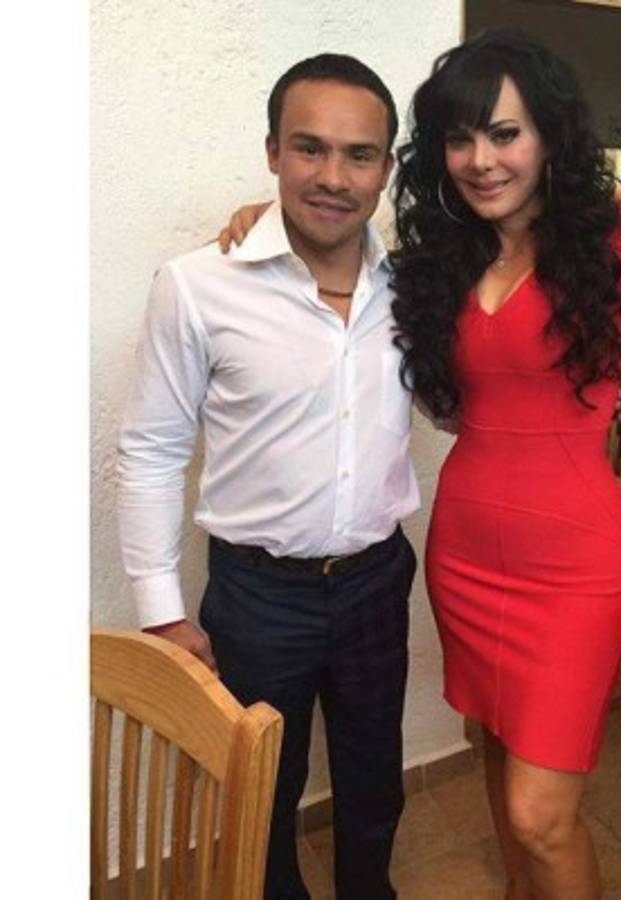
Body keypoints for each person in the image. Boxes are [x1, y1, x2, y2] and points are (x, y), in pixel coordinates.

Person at [220, 30, 621, 900]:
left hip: (575, 563)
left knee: (542, 815)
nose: (481, 160)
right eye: (460, 139)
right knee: (497, 759)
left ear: (549, 136)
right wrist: (260, 222)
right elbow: (334, 249)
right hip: (466, 552)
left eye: (505, 134)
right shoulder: (437, 257)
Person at [117, 54, 419, 900]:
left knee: (374, 782)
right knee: (260, 795)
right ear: (273, 152)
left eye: (359, 154)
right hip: (258, 596)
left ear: (385, 169)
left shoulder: (414, 292)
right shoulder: (197, 286)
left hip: (377, 581)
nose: (334, 177)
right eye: (310, 148)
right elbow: (151, 448)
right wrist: (162, 613)